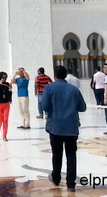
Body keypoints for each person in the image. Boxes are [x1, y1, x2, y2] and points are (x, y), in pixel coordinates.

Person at [41, 65, 86, 193]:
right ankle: (71, 183)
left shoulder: (49, 88)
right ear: (65, 75)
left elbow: (44, 106)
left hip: (55, 126)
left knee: (57, 153)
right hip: (71, 127)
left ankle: (56, 178)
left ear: (54, 75)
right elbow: (82, 107)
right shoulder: (74, 90)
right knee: (71, 155)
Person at [0, 71, 12, 141]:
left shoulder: (6, 84)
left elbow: (9, 93)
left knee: (5, 120)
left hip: (6, 103)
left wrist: (10, 90)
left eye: (5, 77)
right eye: (2, 77)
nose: (4, 79)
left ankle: (4, 135)